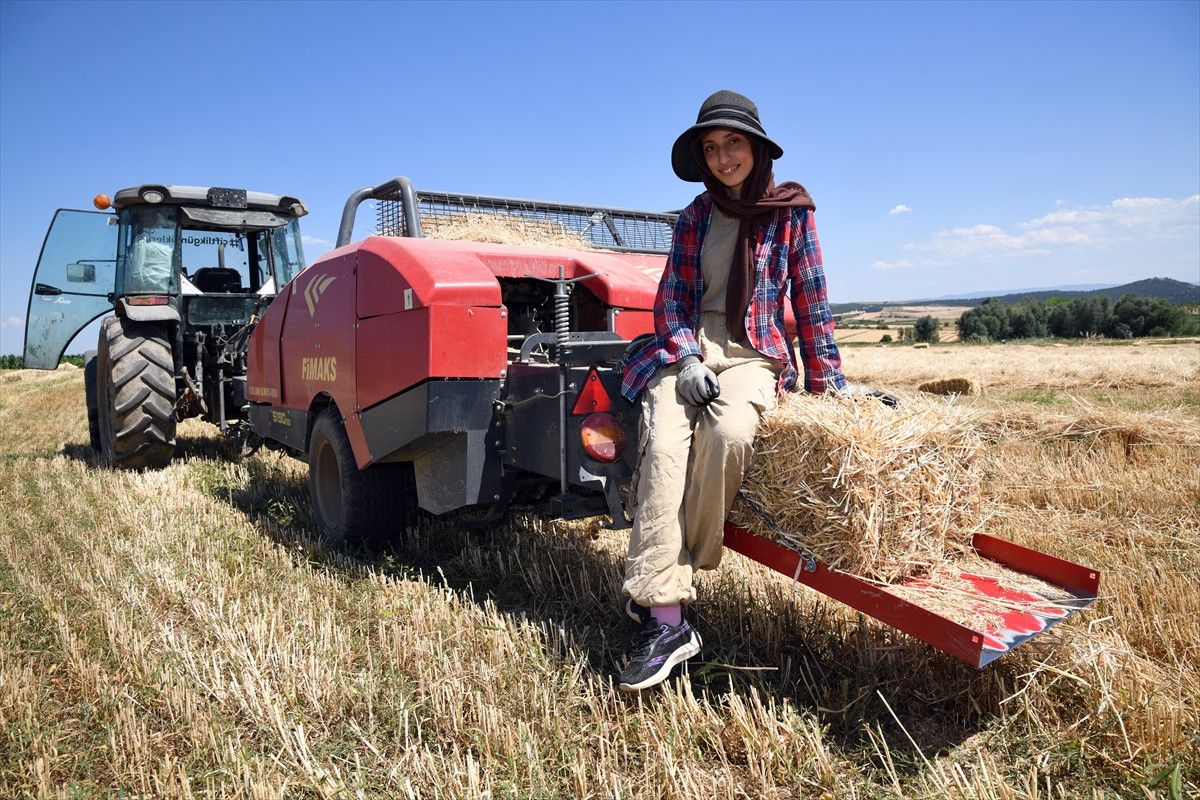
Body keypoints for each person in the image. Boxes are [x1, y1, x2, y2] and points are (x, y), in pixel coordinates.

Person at [616, 90, 848, 692]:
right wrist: (687, 357)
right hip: (689, 345)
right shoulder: (695, 216)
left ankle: (671, 569)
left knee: (728, 433)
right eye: (711, 148)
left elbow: (812, 303)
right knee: (665, 447)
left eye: (733, 144)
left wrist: (831, 387)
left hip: (754, 349)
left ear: (757, 147)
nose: (723, 158)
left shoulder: (792, 211)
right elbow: (670, 299)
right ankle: (667, 618)